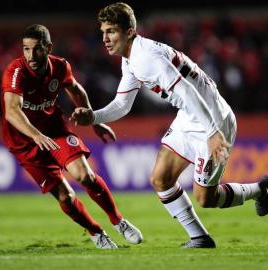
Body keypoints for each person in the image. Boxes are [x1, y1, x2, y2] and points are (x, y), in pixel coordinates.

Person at [70, 2, 268, 248]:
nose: (105, 38)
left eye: (111, 31)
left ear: (129, 31)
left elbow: (186, 92)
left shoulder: (145, 58)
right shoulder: (131, 59)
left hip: (212, 117)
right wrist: (94, 117)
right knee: (160, 178)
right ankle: (200, 238)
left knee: (206, 197)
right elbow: (123, 103)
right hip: (189, 116)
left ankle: (261, 189)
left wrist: (213, 132)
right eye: (103, 32)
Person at [1, 24, 143, 249]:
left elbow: (76, 90)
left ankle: (119, 221)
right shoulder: (16, 71)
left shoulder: (59, 66)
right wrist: (36, 136)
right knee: (66, 197)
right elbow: (11, 111)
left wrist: (95, 120)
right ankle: (96, 232)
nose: (30, 55)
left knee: (85, 175)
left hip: (55, 131)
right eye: (26, 49)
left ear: (48, 48)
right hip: (25, 143)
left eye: (36, 49)